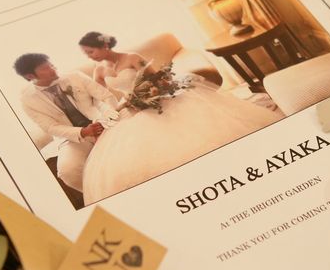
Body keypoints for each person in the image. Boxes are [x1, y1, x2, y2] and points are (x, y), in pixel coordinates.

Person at [77, 32, 283, 204]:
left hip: (157, 99)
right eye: (86, 54)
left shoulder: (132, 58)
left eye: (91, 51)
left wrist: (148, 94)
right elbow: (100, 98)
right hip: (130, 109)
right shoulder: (99, 70)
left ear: (104, 45)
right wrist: (112, 110)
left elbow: (158, 78)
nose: (89, 57)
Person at [14, 52, 118, 192]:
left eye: (51, 64)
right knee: (67, 172)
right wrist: (83, 132)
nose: (53, 69)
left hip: (102, 122)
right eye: (45, 68)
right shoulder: (28, 100)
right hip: (72, 138)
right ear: (30, 76)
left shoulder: (75, 76)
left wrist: (108, 117)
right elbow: (50, 127)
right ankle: (102, 194)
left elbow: (105, 96)